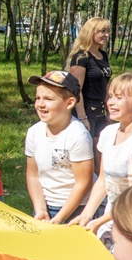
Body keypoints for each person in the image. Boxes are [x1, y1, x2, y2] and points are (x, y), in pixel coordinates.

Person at [72, 70, 132, 239]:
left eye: (119, 97)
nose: (110, 102)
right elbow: (103, 180)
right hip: (110, 219)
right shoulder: (108, 133)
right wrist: (87, 215)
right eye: (110, 96)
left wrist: (100, 221)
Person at [24, 71, 94, 223]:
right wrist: (40, 209)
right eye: (38, 98)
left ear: (69, 103)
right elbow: (33, 175)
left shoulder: (78, 136)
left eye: (48, 99)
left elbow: (83, 182)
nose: (40, 104)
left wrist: (60, 217)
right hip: (45, 204)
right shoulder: (34, 132)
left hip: (77, 208)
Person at [68, 17, 113, 147]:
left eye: (108, 31)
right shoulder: (81, 57)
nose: (106, 35)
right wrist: (82, 117)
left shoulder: (103, 55)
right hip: (86, 109)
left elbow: (104, 84)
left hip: (100, 110)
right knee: (86, 148)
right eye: (102, 31)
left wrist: (108, 111)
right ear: (91, 32)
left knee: (101, 147)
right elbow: (76, 90)